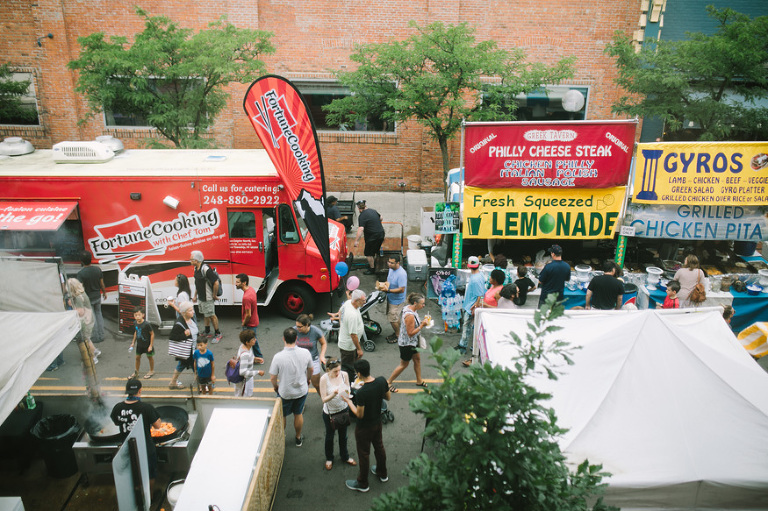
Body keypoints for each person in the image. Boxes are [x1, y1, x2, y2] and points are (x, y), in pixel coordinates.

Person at [342, 359, 391, 493]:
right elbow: (388, 397)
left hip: (364, 428)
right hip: (377, 422)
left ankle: (363, 483)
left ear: (358, 373)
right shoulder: (381, 381)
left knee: (364, 454)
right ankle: (382, 473)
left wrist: (348, 402)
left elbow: (359, 414)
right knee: (379, 447)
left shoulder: (362, 392)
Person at [110, 379, 161, 492]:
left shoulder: (118, 407)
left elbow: (116, 422)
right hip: (146, 449)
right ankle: (150, 496)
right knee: (150, 474)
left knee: (134, 473)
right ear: (140, 391)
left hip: (128, 448)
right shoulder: (146, 407)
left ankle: (137, 493)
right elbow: (158, 426)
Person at [270, 327, 314, 447]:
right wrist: (308, 379)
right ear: (296, 338)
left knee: (282, 415)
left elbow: (273, 377)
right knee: (298, 414)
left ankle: (282, 436)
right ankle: (298, 438)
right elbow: (311, 369)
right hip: (301, 390)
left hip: (285, 392)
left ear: (283, 339)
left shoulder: (278, 357)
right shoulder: (305, 353)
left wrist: (275, 387)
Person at [386, 292, 429, 393]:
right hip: (407, 344)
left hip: (413, 342)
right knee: (404, 364)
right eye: (422, 303)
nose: (423, 305)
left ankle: (419, 380)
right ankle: (388, 382)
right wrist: (422, 325)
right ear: (415, 303)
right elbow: (410, 333)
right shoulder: (410, 316)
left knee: (417, 359)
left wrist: (421, 323)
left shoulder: (410, 309)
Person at [319, 359, 356, 470]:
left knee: (343, 436)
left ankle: (345, 456)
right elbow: (324, 399)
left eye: (339, 370)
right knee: (329, 436)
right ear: (328, 370)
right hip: (330, 413)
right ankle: (329, 458)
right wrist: (334, 394)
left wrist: (346, 394)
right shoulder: (324, 379)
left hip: (343, 409)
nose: (338, 373)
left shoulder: (344, 375)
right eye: (335, 371)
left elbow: (348, 389)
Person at [190, 250, 221, 342]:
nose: (190, 261)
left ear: (196, 260)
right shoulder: (196, 268)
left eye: (191, 259)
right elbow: (198, 284)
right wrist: (195, 296)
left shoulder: (205, 269)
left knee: (211, 315)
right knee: (205, 314)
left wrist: (214, 295)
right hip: (201, 296)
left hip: (208, 297)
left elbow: (216, 282)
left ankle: (218, 333)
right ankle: (207, 331)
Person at [67, 278, 100, 365]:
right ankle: (95, 351)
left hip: (85, 320)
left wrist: (72, 306)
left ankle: (93, 357)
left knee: (86, 339)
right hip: (89, 318)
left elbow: (80, 312)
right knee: (87, 338)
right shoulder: (82, 293)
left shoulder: (78, 298)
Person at [456, 256, 485, 357]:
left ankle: (463, 347)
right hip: (471, 305)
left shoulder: (475, 279)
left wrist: (475, 306)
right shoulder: (479, 275)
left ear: (468, 266)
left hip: (471, 307)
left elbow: (480, 294)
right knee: (471, 327)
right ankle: (469, 345)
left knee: (467, 326)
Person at [77, 251, 106, 343]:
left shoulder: (81, 274)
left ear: (81, 261)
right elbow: (102, 284)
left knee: (92, 317)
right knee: (99, 314)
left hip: (88, 298)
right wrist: (104, 293)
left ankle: (96, 337)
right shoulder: (97, 270)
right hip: (97, 296)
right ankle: (102, 335)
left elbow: (80, 288)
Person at [295, 314, 328, 395]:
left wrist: (322, 355)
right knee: (299, 384)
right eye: (297, 326)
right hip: (299, 361)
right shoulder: (294, 330)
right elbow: (288, 343)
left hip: (313, 360)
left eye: (300, 327)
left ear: (307, 325)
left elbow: (323, 343)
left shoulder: (315, 331)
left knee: (316, 384)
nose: (297, 328)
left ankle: (324, 399)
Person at [168, 301, 197, 389]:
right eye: (190, 310)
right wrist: (184, 334)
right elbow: (172, 337)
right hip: (188, 350)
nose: (193, 312)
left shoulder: (191, 319)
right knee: (195, 366)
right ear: (184, 313)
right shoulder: (179, 324)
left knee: (182, 365)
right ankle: (201, 384)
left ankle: (173, 382)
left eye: (192, 310)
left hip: (193, 348)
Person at [352, 200, 385, 275]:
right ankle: (373, 263)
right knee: (375, 250)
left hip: (372, 237)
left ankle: (372, 269)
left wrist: (356, 241)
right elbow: (381, 218)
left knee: (368, 253)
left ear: (359, 208)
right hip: (381, 234)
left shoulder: (362, 216)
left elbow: (361, 229)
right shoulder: (373, 211)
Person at [381, 254, 407, 343]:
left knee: (392, 319)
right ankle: (399, 331)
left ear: (398, 263)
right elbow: (388, 280)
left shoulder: (401, 274)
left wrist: (388, 290)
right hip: (391, 297)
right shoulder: (391, 269)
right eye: (388, 262)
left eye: (391, 263)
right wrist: (384, 285)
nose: (389, 264)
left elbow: (401, 289)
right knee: (395, 317)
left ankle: (398, 335)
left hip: (397, 301)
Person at [236, 273, 263, 359]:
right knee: (252, 340)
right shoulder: (251, 289)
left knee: (251, 341)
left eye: (238, 282)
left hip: (249, 323)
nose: (236, 284)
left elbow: (248, 315)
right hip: (254, 320)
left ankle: (259, 357)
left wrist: (244, 323)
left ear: (244, 283)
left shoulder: (246, 297)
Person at [338, 289, 366, 369]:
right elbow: (353, 335)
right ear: (356, 301)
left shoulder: (348, 303)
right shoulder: (352, 315)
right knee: (348, 368)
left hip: (349, 343)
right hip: (349, 347)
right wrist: (359, 349)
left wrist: (342, 325)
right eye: (363, 301)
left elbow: (340, 312)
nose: (365, 302)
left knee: (351, 364)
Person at [236, 329, 265, 397]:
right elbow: (242, 372)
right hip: (244, 381)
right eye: (253, 339)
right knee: (244, 398)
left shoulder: (245, 346)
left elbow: (247, 359)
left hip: (248, 378)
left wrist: (255, 359)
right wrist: (258, 372)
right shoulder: (245, 355)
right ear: (247, 342)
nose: (255, 340)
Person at [129, 307, 155, 379]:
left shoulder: (146, 324)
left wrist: (150, 345)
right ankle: (136, 372)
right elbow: (136, 332)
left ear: (143, 315)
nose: (137, 317)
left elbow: (152, 334)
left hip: (147, 345)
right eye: (135, 315)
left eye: (139, 315)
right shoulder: (135, 323)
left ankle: (151, 371)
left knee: (149, 357)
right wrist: (133, 342)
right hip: (139, 345)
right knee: (137, 357)